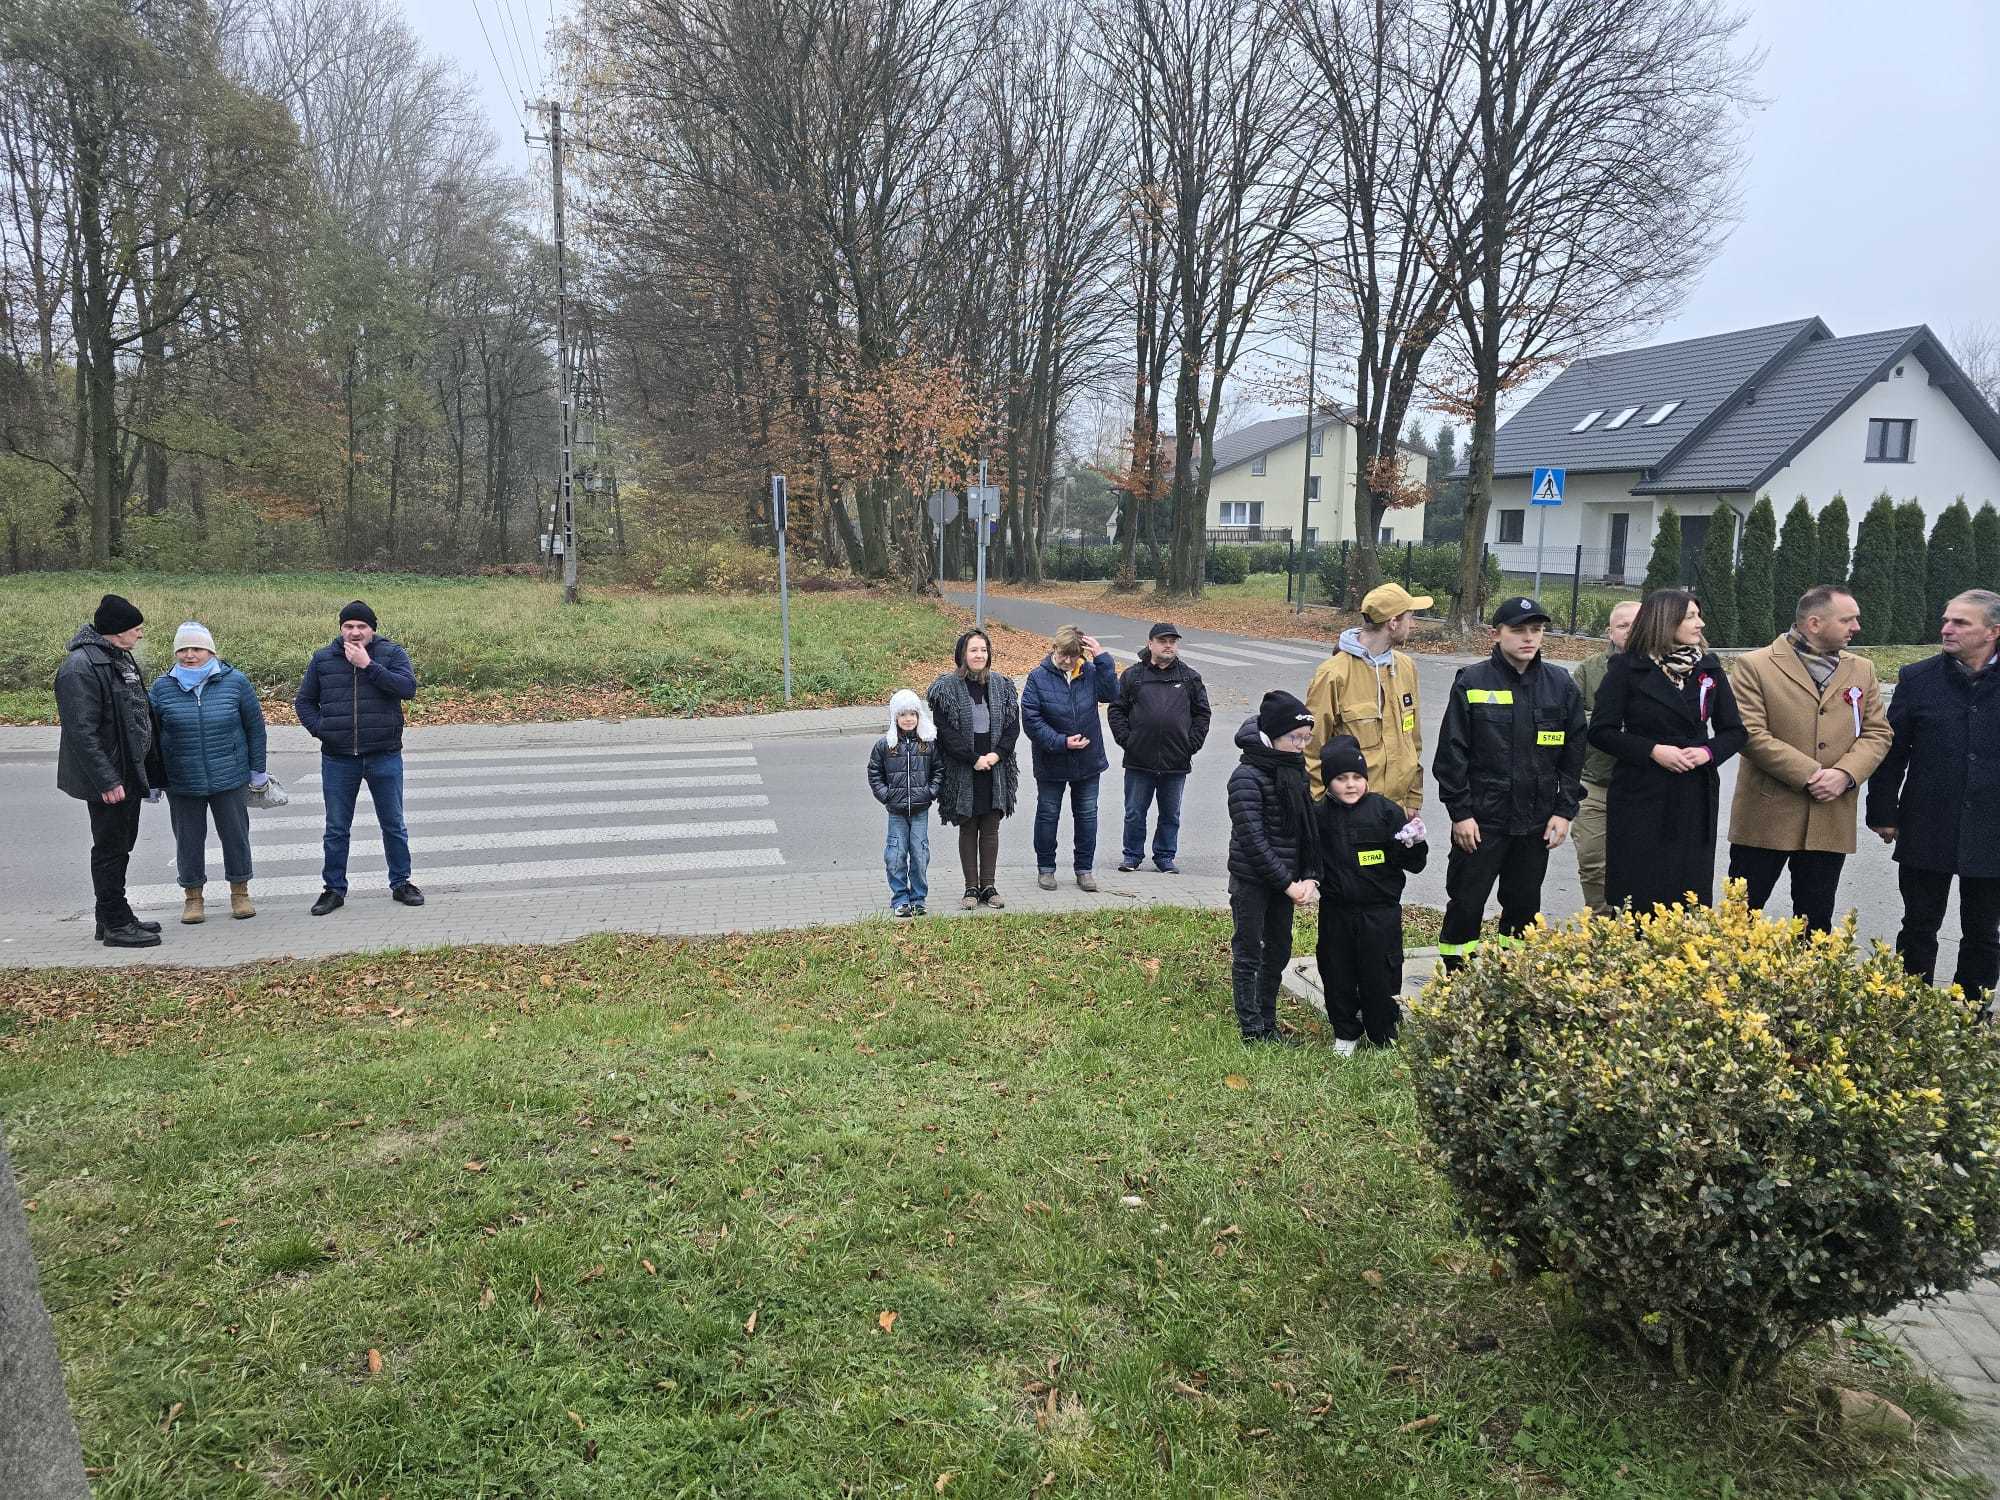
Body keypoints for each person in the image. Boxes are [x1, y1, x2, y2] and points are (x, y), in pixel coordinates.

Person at [1725, 585, 1891, 932]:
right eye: (1848, 619)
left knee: (1816, 924)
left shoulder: (1861, 669)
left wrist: (1845, 774)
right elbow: (1749, 734)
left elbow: (1877, 733)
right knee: (1740, 920)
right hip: (1765, 817)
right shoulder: (1755, 665)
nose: (1857, 627)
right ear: (1814, 623)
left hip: (1830, 818)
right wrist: (1813, 774)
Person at [1432, 597, 1586, 969]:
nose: (1528, 638)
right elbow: (1452, 753)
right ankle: (1456, 979)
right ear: (1496, 634)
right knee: (1466, 903)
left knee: (1524, 906)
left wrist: (1564, 812)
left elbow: (1573, 756)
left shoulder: (1560, 685)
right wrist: (1461, 813)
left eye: (1536, 630)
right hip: (1482, 821)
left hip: (1535, 823)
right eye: (1518, 630)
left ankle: (1512, 977)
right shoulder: (1472, 681)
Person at [1866, 588, 2000, 1009]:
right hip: (1928, 822)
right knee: (1919, 924)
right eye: (1946, 620)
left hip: (1993, 828)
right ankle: (1910, 1010)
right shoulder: (1918, 679)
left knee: (1984, 931)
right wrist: (1883, 811)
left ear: (1993, 631)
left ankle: (1970, 1012)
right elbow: (1892, 752)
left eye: (1960, 622)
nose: (1946, 628)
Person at [1588, 589, 1746, 914]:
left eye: (1698, 615)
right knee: (1640, 892)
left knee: (1687, 892)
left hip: (1693, 793)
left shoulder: (1709, 669)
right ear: (1666, 620)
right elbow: (1601, 731)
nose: (1700, 623)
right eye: (1691, 617)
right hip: (1641, 792)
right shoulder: (1626, 668)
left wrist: (1707, 752)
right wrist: (1652, 751)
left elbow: (1735, 732)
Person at [295, 600, 421, 914]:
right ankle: (333, 890)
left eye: (361, 627)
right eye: (348, 626)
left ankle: (401, 882)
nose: (354, 632)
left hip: (383, 754)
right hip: (339, 758)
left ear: (372, 629)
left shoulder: (391, 654)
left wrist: (368, 665)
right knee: (336, 828)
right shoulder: (323, 659)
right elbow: (304, 701)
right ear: (341, 629)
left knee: (393, 824)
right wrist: (322, 730)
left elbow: (407, 688)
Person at [54, 593, 163, 948]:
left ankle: (113, 915)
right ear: (116, 631)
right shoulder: (80, 667)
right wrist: (107, 779)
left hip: (127, 770)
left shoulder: (117, 657)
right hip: (111, 776)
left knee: (122, 844)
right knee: (110, 848)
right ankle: (116, 923)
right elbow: (81, 732)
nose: (140, 634)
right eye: (136, 628)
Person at [148, 622, 270, 924]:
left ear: (211, 651)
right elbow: (150, 735)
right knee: (188, 841)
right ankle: (193, 898)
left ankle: (240, 893)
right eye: (183, 649)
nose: (190, 655)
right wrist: (152, 778)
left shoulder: (235, 682)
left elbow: (255, 728)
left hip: (229, 775)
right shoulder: (162, 687)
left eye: (197, 649)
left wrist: (258, 769)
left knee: (235, 836)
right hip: (182, 779)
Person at [1313, 734, 1428, 1054]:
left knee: (1381, 974)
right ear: (1328, 782)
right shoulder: (1320, 816)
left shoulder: (1385, 811)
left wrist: (1413, 843)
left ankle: (1383, 1032)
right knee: (1337, 972)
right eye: (1341, 778)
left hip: (1380, 913)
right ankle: (1345, 1032)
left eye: (1356, 776)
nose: (1350, 784)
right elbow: (1308, 857)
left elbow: (1414, 864)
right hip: (1336, 912)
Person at [1225, 690, 1321, 1044]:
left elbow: (1307, 827)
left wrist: (1310, 875)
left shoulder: (1295, 770)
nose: (1301, 746)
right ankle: (1251, 1028)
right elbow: (1253, 840)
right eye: (1295, 738)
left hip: (1287, 881)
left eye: (1306, 738)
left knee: (1279, 950)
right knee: (1249, 951)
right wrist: (1287, 884)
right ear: (1273, 734)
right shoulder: (1246, 776)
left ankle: (1268, 1021)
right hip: (1253, 881)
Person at [1304, 582, 1428, 813]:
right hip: (1351, 812)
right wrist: (1322, 807)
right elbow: (1312, 747)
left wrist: (1413, 799)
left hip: (1397, 811)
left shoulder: (1405, 667)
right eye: (1410, 617)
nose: (1414, 624)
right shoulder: (1333, 674)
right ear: (1393, 622)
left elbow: (1413, 740)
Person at [928, 628, 1022, 910]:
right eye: (973, 650)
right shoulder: (946, 688)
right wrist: (973, 759)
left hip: (996, 768)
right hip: (964, 769)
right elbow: (945, 733)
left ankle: (989, 887)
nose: (979, 655)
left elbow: (1012, 727)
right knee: (968, 827)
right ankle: (971, 887)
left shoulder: (1003, 685)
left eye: (983, 650)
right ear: (962, 654)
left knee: (991, 828)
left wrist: (996, 755)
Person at [1020, 624, 1119, 892]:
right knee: (1048, 815)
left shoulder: (1089, 671)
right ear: (1054, 648)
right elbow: (1031, 720)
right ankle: (1046, 869)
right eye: (1063, 654)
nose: (1067, 660)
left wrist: (1102, 657)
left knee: (1087, 816)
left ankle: (1084, 870)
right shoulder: (1038, 677)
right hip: (1051, 760)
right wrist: (1061, 742)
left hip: (1088, 760)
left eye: (1073, 656)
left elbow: (1112, 694)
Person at [1108, 622, 1210, 874]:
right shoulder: (1133, 676)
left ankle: (1165, 856)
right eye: (1163, 641)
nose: (1168, 646)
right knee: (1134, 812)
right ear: (1150, 644)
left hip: (1176, 760)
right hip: (1139, 759)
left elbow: (1202, 714)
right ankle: (1132, 855)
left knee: (1170, 814)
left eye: (1172, 642)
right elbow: (1116, 710)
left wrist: (1191, 745)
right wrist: (1127, 740)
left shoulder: (1189, 678)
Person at [1568, 599, 1639, 914]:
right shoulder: (1590, 669)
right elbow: (1570, 717)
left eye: (1637, 624)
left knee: (1640, 864)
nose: (1630, 631)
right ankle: (1601, 924)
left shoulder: (1665, 670)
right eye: (1623, 626)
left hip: (1643, 786)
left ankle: (1637, 927)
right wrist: (1611, 723)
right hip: (1595, 783)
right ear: (1610, 632)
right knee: (1593, 860)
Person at [867, 688, 942, 918]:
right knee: (895, 855)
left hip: (920, 810)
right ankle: (900, 898)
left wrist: (929, 792)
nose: (908, 719)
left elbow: (939, 770)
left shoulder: (927, 744)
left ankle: (918, 898)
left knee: (919, 854)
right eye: (902, 714)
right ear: (895, 717)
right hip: (896, 811)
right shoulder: (885, 745)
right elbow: (874, 773)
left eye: (912, 714)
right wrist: (887, 795)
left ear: (919, 716)